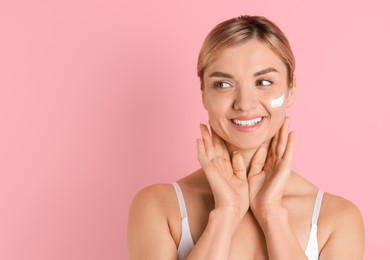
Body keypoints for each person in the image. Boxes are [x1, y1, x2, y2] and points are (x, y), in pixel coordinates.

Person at [127, 15, 365, 259]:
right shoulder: (158, 207)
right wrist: (226, 213)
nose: (244, 103)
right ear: (203, 94)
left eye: (263, 82)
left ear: (291, 89)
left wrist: (272, 213)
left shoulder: (336, 219)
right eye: (223, 84)